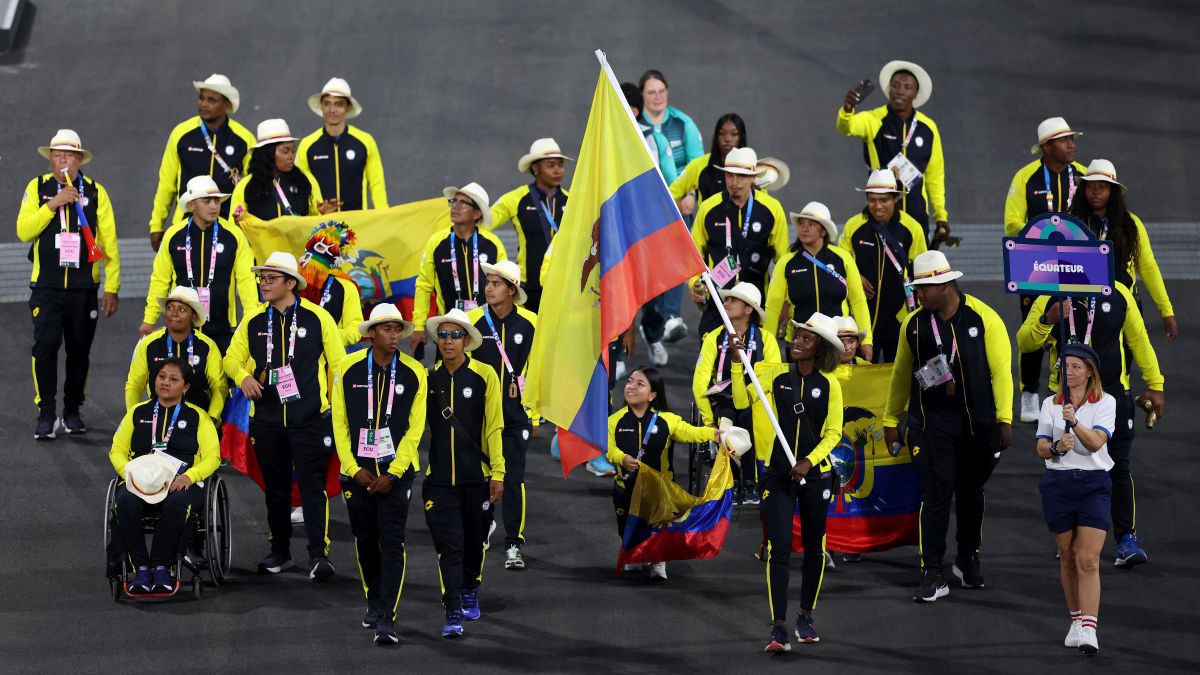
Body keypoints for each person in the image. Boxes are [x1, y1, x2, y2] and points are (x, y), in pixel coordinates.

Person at [882, 251, 1012, 602]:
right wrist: (891, 419)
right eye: (918, 287)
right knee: (936, 493)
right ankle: (932, 571)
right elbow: (899, 374)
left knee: (971, 492)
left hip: (977, 423)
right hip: (932, 423)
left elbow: (1001, 371)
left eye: (925, 287)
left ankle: (968, 557)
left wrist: (1005, 419)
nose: (919, 293)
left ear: (946, 284)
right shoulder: (914, 324)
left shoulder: (985, 318)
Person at [1016, 282, 1165, 567]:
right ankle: (1070, 540)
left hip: (1111, 395)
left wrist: (1155, 383)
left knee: (1118, 466)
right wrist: (1048, 319)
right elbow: (1025, 342)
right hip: (1066, 399)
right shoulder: (1051, 294)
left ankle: (1125, 539)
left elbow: (1138, 339)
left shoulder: (1118, 293)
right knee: (1066, 467)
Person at [223, 251, 347, 580]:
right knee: (275, 489)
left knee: (312, 487)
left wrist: (337, 412)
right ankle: (280, 551)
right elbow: (231, 359)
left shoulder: (319, 318)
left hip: (310, 419)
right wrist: (243, 377)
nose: (263, 283)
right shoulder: (252, 321)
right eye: (261, 278)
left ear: (290, 283)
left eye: (271, 278)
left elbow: (339, 366)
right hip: (267, 420)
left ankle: (319, 555)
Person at [730, 312, 844, 651]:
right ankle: (778, 627)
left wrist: (809, 461)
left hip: (815, 475)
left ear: (821, 347)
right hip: (778, 474)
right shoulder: (777, 376)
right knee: (779, 548)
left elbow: (835, 432)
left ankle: (805, 616)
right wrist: (739, 364)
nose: (797, 341)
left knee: (814, 549)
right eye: (796, 335)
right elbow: (740, 401)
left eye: (806, 338)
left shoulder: (830, 386)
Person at [331, 304, 427, 646]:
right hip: (356, 473)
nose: (395, 335)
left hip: (395, 474)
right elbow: (339, 423)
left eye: (398, 329)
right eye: (387, 329)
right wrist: (353, 468)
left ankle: (388, 614)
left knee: (392, 541)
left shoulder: (415, 372)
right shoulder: (348, 367)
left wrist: (395, 472)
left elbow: (416, 430)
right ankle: (373, 599)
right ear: (371, 333)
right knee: (365, 541)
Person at [17, 129, 121, 439]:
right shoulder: (37, 188)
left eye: (68, 156)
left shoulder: (96, 192)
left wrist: (112, 287)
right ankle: (46, 413)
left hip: (82, 289)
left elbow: (110, 243)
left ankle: (72, 410)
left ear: (79, 160)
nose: (62, 160)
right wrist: (54, 204)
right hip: (46, 288)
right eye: (56, 155)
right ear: (50, 159)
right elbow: (24, 230)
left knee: (79, 352)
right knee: (45, 347)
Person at [421, 308, 505, 639]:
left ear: (467, 341)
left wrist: (498, 470)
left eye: (455, 335)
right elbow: (415, 428)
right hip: (440, 481)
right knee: (449, 546)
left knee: (474, 542)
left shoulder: (485, 375)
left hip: (477, 478)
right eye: (442, 335)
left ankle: (471, 585)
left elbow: (495, 426)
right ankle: (453, 606)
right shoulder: (428, 379)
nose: (448, 341)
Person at [109, 357, 220, 594]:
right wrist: (129, 473)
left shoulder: (198, 417)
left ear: (186, 387)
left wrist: (190, 476)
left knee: (178, 502)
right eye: (161, 377)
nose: (165, 383)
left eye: (173, 379)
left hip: (180, 482)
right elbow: (117, 450)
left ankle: (161, 566)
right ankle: (140, 568)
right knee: (125, 501)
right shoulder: (138, 412)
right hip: (141, 480)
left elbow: (213, 457)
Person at [1004, 117, 1087, 423]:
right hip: (1035, 262)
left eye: (1072, 139)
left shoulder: (1083, 175)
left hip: (1077, 263)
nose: (1072, 145)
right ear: (1047, 146)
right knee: (1035, 324)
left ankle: (1075, 388)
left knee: (1076, 320)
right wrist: (1047, 231)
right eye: (1064, 140)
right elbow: (1012, 223)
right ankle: (1029, 390)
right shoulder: (1026, 178)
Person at [1034, 343, 1115, 655]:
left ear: (1089, 371)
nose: (1068, 372)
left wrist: (1076, 421)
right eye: (1064, 366)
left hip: (1094, 485)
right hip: (1058, 484)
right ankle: (1076, 620)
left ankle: (1090, 630)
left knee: (1088, 558)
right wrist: (1057, 447)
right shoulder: (1049, 404)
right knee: (1067, 556)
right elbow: (1041, 448)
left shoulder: (1106, 403)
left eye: (1076, 367)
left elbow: (1095, 443)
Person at [608, 366, 718, 581]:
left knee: (656, 525)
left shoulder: (668, 420)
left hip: (660, 489)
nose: (631, 387)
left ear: (653, 394)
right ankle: (633, 551)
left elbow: (691, 432)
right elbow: (609, 448)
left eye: (640, 384)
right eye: (630, 381)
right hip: (626, 488)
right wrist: (622, 458)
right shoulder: (614, 421)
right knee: (627, 527)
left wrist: (714, 433)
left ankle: (657, 559)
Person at [466, 260, 538, 569]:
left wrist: (533, 414)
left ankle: (513, 545)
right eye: (488, 283)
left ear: (512, 290)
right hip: (479, 417)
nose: (489, 288)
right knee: (480, 478)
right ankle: (482, 530)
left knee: (513, 478)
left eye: (496, 284)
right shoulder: (471, 321)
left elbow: (537, 369)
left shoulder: (531, 322)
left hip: (515, 415)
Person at [140, 175, 258, 353]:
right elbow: (160, 279)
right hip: (181, 328)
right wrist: (149, 319)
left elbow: (246, 280)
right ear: (191, 204)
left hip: (222, 329)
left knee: (220, 381)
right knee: (181, 380)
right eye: (207, 200)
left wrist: (251, 320)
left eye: (217, 201)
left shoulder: (234, 235)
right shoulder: (173, 235)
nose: (213, 206)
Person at [838, 60, 949, 245]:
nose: (900, 91)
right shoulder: (874, 119)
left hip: (916, 214)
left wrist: (940, 215)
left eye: (907, 87)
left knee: (916, 271)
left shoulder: (928, 128)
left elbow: (935, 176)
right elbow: (847, 127)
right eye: (895, 85)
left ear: (915, 93)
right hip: (880, 213)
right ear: (889, 89)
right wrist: (848, 109)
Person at [1068, 159, 1177, 341]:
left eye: (1102, 187)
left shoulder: (1131, 224)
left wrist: (1166, 311)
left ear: (1113, 192)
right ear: (1082, 190)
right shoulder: (1071, 223)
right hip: (1082, 305)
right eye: (1091, 187)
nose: (1096, 192)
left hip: (1125, 304)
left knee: (1123, 361)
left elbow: (1148, 267)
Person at [691, 282, 779, 504]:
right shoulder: (713, 337)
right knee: (728, 416)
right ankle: (733, 482)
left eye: (733, 300)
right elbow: (699, 383)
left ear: (749, 309)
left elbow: (773, 380)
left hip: (754, 402)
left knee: (746, 415)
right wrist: (708, 421)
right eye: (726, 299)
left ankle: (749, 482)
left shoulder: (766, 339)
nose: (726, 303)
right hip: (722, 401)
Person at [688, 146, 790, 337]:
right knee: (712, 362)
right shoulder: (708, 208)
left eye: (741, 176)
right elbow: (693, 255)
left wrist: (784, 301)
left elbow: (783, 259)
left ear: (753, 177)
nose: (734, 182)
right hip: (718, 301)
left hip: (757, 302)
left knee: (755, 361)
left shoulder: (772, 209)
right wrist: (695, 285)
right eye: (730, 175)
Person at [147, 74, 256, 251]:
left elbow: (253, 187)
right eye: (201, 98)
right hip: (185, 224)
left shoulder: (245, 139)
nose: (203, 104)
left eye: (212, 100)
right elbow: (166, 184)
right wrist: (157, 224)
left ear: (226, 104)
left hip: (228, 227)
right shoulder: (181, 133)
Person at [640, 69, 702, 345]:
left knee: (677, 254)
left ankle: (671, 317)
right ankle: (653, 322)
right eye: (651, 92)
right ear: (642, 95)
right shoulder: (635, 125)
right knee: (650, 268)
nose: (657, 97)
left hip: (678, 205)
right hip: (646, 207)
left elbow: (695, 165)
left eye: (661, 91)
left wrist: (691, 194)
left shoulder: (682, 123)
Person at [765, 202, 873, 360]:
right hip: (799, 342)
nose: (804, 228)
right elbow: (773, 306)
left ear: (824, 230)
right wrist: (767, 344)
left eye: (811, 224)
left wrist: (867, 341)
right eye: (801, 223)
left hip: (836, 341)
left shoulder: (843, 259)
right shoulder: (786, 262)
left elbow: (858, 302)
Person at [410, 183, 508, 356]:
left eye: (463, 203)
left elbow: (505, 287)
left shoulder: (493, 244)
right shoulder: (437, 242)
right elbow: (424, 285)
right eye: (453, 201)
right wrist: (418, 325)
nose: (455, 206)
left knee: (484, 378)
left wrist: (504, 322)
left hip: (487, 325)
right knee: (447, 380)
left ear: (477, 213)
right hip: (449, 327)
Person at [839, 170, 927, 362]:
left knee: (895, 378)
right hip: (860, 322)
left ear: (895, 199)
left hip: (898, 319)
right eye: (872, 200)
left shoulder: (912, 228)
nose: (877, 206)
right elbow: (839, 265)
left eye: (884, 200)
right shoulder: (853, 226)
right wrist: (856, 278)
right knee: (860, 379)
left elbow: (923, 273)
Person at [488, 138, 573, 312]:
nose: (558, 170)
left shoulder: (572, 201)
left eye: (560, 164)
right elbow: (483, 222)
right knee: (530, 337)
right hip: (529, 288)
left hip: (563, 287)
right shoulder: (516, 198)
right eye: (551, 165)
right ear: (535, 168)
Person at [125, 286, 226, 422]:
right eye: (170, 307)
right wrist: (133, 417)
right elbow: (134, 385)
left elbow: (219, 387)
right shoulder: (148, 344)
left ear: (194, 316)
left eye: (182, 309)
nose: (174, 313)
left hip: (198, 421)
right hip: (158, 421)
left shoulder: (207, 346)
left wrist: (212, 418)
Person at [296, 77, 388, 212]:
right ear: (321, 106)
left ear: (348, 107)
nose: (332, 110)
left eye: (339, 104)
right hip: (321, 226)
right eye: (327, 103)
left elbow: (377, 184)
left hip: (357, 224)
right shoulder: (307, 144)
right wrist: (314, 211)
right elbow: (299, 185)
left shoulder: (365, 141)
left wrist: (384, 216)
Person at [230, 119, 336, 222]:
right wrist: (239, 222)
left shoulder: (306, 179)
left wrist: (324, 214)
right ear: (268, 153)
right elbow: (235, 228)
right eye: (285, 151)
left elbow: (317, 223)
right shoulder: (245, 186)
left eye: (293, 150)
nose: (291, 156)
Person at [297, 221, 365, 348]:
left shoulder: (346, 288)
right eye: (310, 247)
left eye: (321, 248)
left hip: (328, 361)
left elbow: (356, 330)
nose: (310, 256)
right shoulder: (292, 281)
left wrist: (327, 336)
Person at [670, 113, 747, 220]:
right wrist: (680, 207)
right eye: (722, 133)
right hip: (706, 233)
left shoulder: (752, 170)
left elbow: (762, 206)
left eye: (734, 134)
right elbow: (670, 194)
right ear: (716, 136)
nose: (727, 139)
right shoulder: (698, 165)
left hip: (743, 233)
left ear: (741, 137)